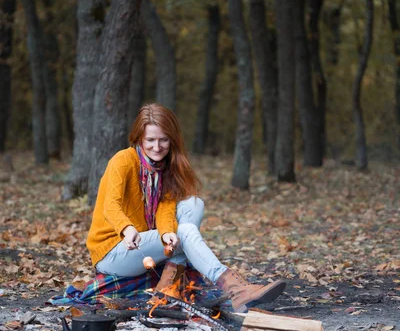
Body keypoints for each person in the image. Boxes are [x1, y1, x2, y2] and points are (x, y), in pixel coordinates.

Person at [87, 104, 285, 312]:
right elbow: (111, 205)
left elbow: (165, 210)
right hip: (114, 252)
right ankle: (235, 288)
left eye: (163, 139)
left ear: (172, 139)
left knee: (194, 204)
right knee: (186, 230)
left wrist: (166, 235)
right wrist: (126, 228)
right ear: (139, 139)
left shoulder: (165, 168)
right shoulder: (124, 161)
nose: (157, 147)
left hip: (144, 243)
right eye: (150, 140)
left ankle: (167, 288)